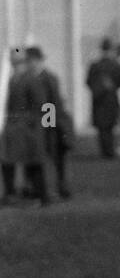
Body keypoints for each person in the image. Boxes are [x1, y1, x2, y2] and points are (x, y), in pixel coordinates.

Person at [25, 47, 72, 201]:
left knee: (55, 159)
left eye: (32, 61)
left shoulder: (48, 78)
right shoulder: (30, 78)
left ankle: (59, 188)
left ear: (38, 61)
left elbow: (53, 105)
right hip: (38, 127)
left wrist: (49, 126)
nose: (30, 64)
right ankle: (38, 188)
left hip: (52, 126)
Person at [1, 47, 40, 205]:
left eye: (19, 62)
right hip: (12, 128)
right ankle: (10, 192)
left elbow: (44, 105)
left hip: (27, 128)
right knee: (7, 160)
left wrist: (47, 127)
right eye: (14, 62)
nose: (16, 65)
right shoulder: (11, 80)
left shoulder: (31, 80)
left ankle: (34, 193)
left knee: (32, 162)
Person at [86, 37, 120, 158]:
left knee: (102, 128)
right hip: (111, 100)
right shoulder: (115, 65)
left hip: (98, 100)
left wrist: (98, 88)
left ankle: (105, 151)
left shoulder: (94, 65)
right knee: (110, 126)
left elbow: (88, 82)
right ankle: (110, 151)